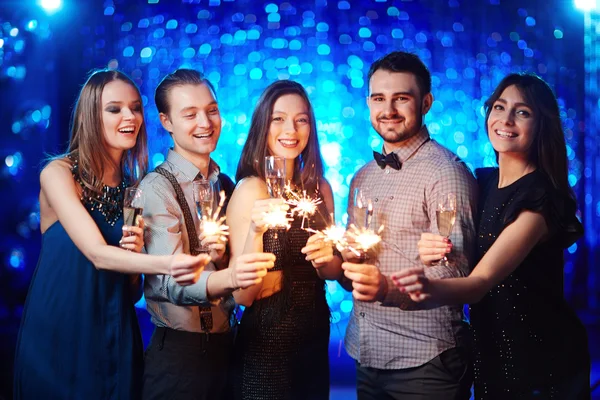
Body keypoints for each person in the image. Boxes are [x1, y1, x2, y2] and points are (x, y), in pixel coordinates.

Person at [392, 73, 590, 399]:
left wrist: (425, 288)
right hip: (490, 351)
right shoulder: (481, 183)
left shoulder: (540, 199)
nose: (506, 120)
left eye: (522, 112)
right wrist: (436, 249)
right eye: (500, 107)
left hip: (541, 358)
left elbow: (480, 282)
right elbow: (465, 253)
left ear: (542, 125)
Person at [13, 69, 209, 400]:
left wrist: (136, 259)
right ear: (91, 115)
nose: (129, 116)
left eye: (135, 107)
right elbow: (97, 254)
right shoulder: (58, 173)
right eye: (114, 108)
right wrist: (169, 263)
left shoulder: (135, 190)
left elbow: (131, 292)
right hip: (59, 328)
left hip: (114, 330)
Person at [339, 51, 478, 399]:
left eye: (401, 98)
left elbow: (459, 274)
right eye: (378, 98)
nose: (388, 109)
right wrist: (337, 263)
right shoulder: (362, 178)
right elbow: (358, 267)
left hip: (425, 361)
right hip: (366, 352)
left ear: (426, 102)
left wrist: (389, 288)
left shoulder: (446, 172)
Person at [140, 69, 275, 400]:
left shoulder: (226, 184)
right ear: (166, 122)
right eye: (190, 114)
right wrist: (230, 276)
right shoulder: (156, 189)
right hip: (181, 359)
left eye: (212, 110)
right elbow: (172, 283)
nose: (206, 122)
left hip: (227, 349)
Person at [228, 80, 343, 399]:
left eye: (301, 119)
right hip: (266, 348)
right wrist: (255, 231)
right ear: (262, 124)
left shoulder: (321, 189)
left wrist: (326, 259)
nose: (290, 129)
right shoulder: (251, 189)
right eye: (278, 118)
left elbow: (333, 272)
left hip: (314, 342)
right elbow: (242, 296)